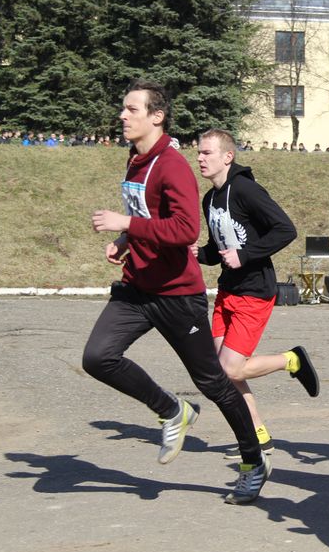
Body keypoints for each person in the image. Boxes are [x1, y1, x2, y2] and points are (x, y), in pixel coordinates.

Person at [83, 80, 269, 505]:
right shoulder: (136, 160)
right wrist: (126, 241)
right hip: (137, 287)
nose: (123, 115)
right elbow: (148, 214)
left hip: (176, 295)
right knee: (97, 357)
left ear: (157, 116)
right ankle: (172, 410)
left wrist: (126, 225)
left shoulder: (171, 166)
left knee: (213, 382)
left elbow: (186, 230)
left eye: (132, 109)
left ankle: (253, 461)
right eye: (123, 108)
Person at [192, 128, 319, 459]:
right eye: (199, 153)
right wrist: (197, 254)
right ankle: (258, 437)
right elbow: (220, 249)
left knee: (232, 369)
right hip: (228, 290)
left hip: (255, 291)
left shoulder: (246, 190)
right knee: (224, 371)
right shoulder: (210, 199)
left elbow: (285, 229)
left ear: (227, 156)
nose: (200, 158)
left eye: (207, 153)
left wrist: (246, 255)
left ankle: (290, 360)